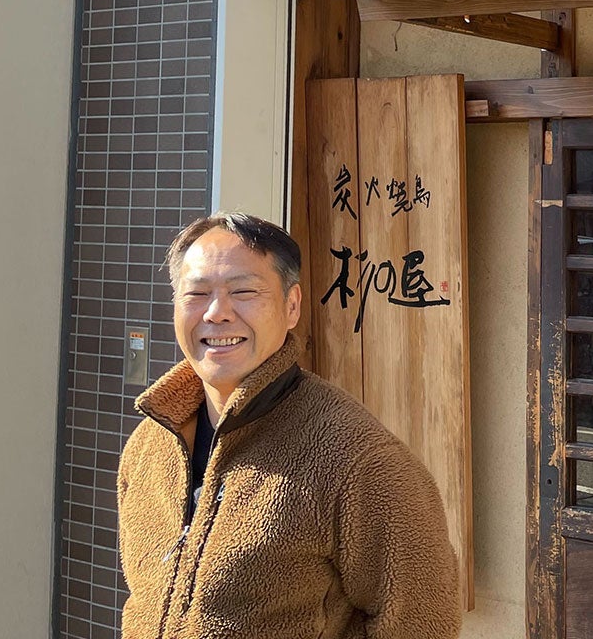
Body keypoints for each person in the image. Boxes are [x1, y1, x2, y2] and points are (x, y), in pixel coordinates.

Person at [117, 213, 461, 639]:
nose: (217, 313)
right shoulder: (149, 446)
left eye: (244, 292)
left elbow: (424, 621)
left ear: (292, 305)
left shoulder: (357, 457)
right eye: (197, 293)